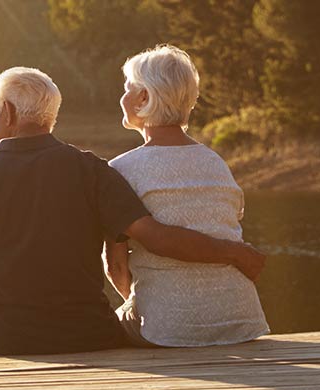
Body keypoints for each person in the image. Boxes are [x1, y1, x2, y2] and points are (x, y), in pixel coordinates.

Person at [0, 66, 264, 356]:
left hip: (5, 338)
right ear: (51, 116)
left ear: (6, 113)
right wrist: (234, 252)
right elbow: (142, 244)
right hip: (88, 334)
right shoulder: (94, 171)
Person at [106, 45, 270, 347]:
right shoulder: (216, 162)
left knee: (107, 327)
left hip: (168, 330)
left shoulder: (120, 170)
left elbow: (116, 267)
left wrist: (141, 304)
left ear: (144, 97)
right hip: (241, 322)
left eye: (128, 89)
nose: (123, 97)